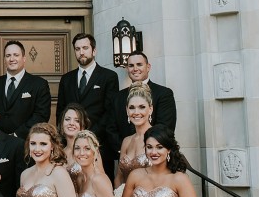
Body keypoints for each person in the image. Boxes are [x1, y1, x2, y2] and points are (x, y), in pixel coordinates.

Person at [55, 33, 119, 180]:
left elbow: (110, 113)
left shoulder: (108, 77)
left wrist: (87, 136)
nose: (81, 52)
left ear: (94, 50)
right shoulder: (66, 79)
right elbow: (61, 112)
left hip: (99, 144)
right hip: (71, 146)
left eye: (85, 48)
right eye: (77, 49)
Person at [109, 51, 177, 156]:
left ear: (148, 67)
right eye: (131, 65)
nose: (135, 69)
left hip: (154, 156)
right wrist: (125, 150)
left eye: (139, 64)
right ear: (127, 69)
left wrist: (148, 151)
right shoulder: (117, 97)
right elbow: (111, 129)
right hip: (125, 156)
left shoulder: (163, 93)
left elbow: (165, 128)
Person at [0, 40, 52, 138]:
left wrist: (17, 135)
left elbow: (41, 115)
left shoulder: (39, 84)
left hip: (26, 141)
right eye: (8, 56)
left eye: (16, 55)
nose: (12, 59)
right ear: (4, 59)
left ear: (24, 58)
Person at [57, 101, 91, 166]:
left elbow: (100, 175)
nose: (71, 123)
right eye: (67, 119)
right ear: (62, 124)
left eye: (77, 121)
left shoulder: (90, 150)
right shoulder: (58, 153)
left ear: (83, 126)